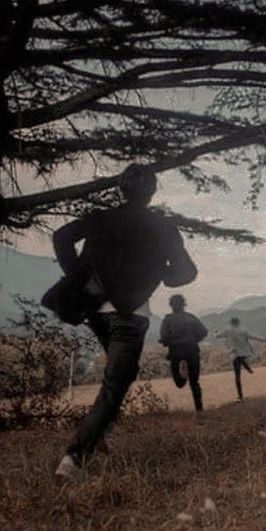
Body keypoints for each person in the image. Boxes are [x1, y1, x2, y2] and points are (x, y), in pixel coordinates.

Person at [52, 164, 197, 479]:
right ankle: (74, 459)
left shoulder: (101, 218)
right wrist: (159, 275)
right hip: (130, 315)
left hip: (95, 312)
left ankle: (103, 431)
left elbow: (61, 236)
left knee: (118, 377)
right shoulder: (163, 226)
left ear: (121, 189)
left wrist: (77, 275)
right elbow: (188, 272)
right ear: (152, 192)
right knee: (115, 384)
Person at [159, 294, 208, 412]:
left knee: (180, 383)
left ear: (171, 305)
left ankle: (182, 373)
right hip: (192, 350)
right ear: (184, 304)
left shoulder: (167, 319)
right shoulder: (191, 317)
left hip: (176, 352)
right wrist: (195, 339)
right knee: (194, 382)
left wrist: (166, 341)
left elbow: (164, 336)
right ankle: (199, 409)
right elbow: (204, 331)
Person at [214, 317, 266, 402]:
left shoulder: (227, 330)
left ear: (231, 323)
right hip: (244, 353)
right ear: (238, 323)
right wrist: (265, 340)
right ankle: (246, 366)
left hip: (235, 354)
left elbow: (217, 336)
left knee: (237, 376)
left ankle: (240, 396)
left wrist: (215, 332)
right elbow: (253, 336)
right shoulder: (243, 331)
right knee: (241, 359)